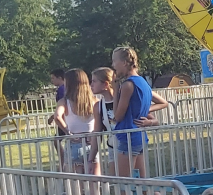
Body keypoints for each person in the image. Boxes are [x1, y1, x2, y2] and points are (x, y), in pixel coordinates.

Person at [111, 46, 170, 177]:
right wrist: (144, 110)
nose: (113, 65)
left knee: (124, 183)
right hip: (139, 136)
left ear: (125, 63)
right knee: (142, 183)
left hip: (128, 137)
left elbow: (118, 116)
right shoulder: (143, 82)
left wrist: (115, 91)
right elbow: (163, 102)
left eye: (114, 61)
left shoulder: (127, 85)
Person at [57, 69, 99, 174]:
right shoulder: (94, 101)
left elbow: (57, 116)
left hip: (73, 141)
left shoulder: (64, 102)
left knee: (76, 185)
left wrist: (67, 132)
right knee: (94, 181)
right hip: (91, 142)